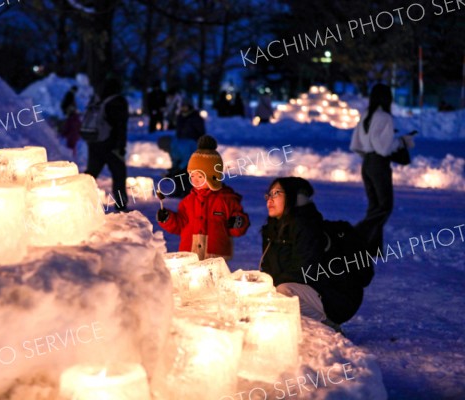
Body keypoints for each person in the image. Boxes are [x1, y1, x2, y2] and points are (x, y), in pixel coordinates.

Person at [259, 177, 360, 330]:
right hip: (306, 291)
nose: (269, 200)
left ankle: (327, 326)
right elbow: (267, 267)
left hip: (331, 297)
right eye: (268, 194)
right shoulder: (272, 230)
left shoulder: (307, 227)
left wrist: (269, 287)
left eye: (276, 193)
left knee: (284, 291)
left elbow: (304, 270)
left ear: (294, 197)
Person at [157, 135, 250, 260]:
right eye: (192, 176)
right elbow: (180, 225)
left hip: (215, 258)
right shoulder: (188, 201)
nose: (195, 180)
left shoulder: (226, 199)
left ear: (213, 177)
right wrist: (167, 219)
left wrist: (238, 222)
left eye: (200, 177)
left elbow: (239, 225)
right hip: (190, 257)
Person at [350, 83, 414, 253]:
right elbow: (383, 148)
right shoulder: (384, 117)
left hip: (367, 164)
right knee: (384, 207)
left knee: (374, 207)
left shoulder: (366, 115)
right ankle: (354, 235)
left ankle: (372, 248)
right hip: (379, 164)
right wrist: (402, 141)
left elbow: (356, 144)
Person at [85, 77, 129, 212]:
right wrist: (120, 147)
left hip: (95, 143)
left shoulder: (98, 100)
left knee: (90, 175)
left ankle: (80, 201)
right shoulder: (118, 102)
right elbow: (120, 126)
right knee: (119, 175)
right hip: (111, 146)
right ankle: (121, 206)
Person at [60, 85, 81, 158]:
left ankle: (71, 157)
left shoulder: (71, 118)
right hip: (73, 134)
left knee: (71, 145)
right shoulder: (70, 95)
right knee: (71, 145)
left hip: (72, 134)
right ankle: (71, 157)